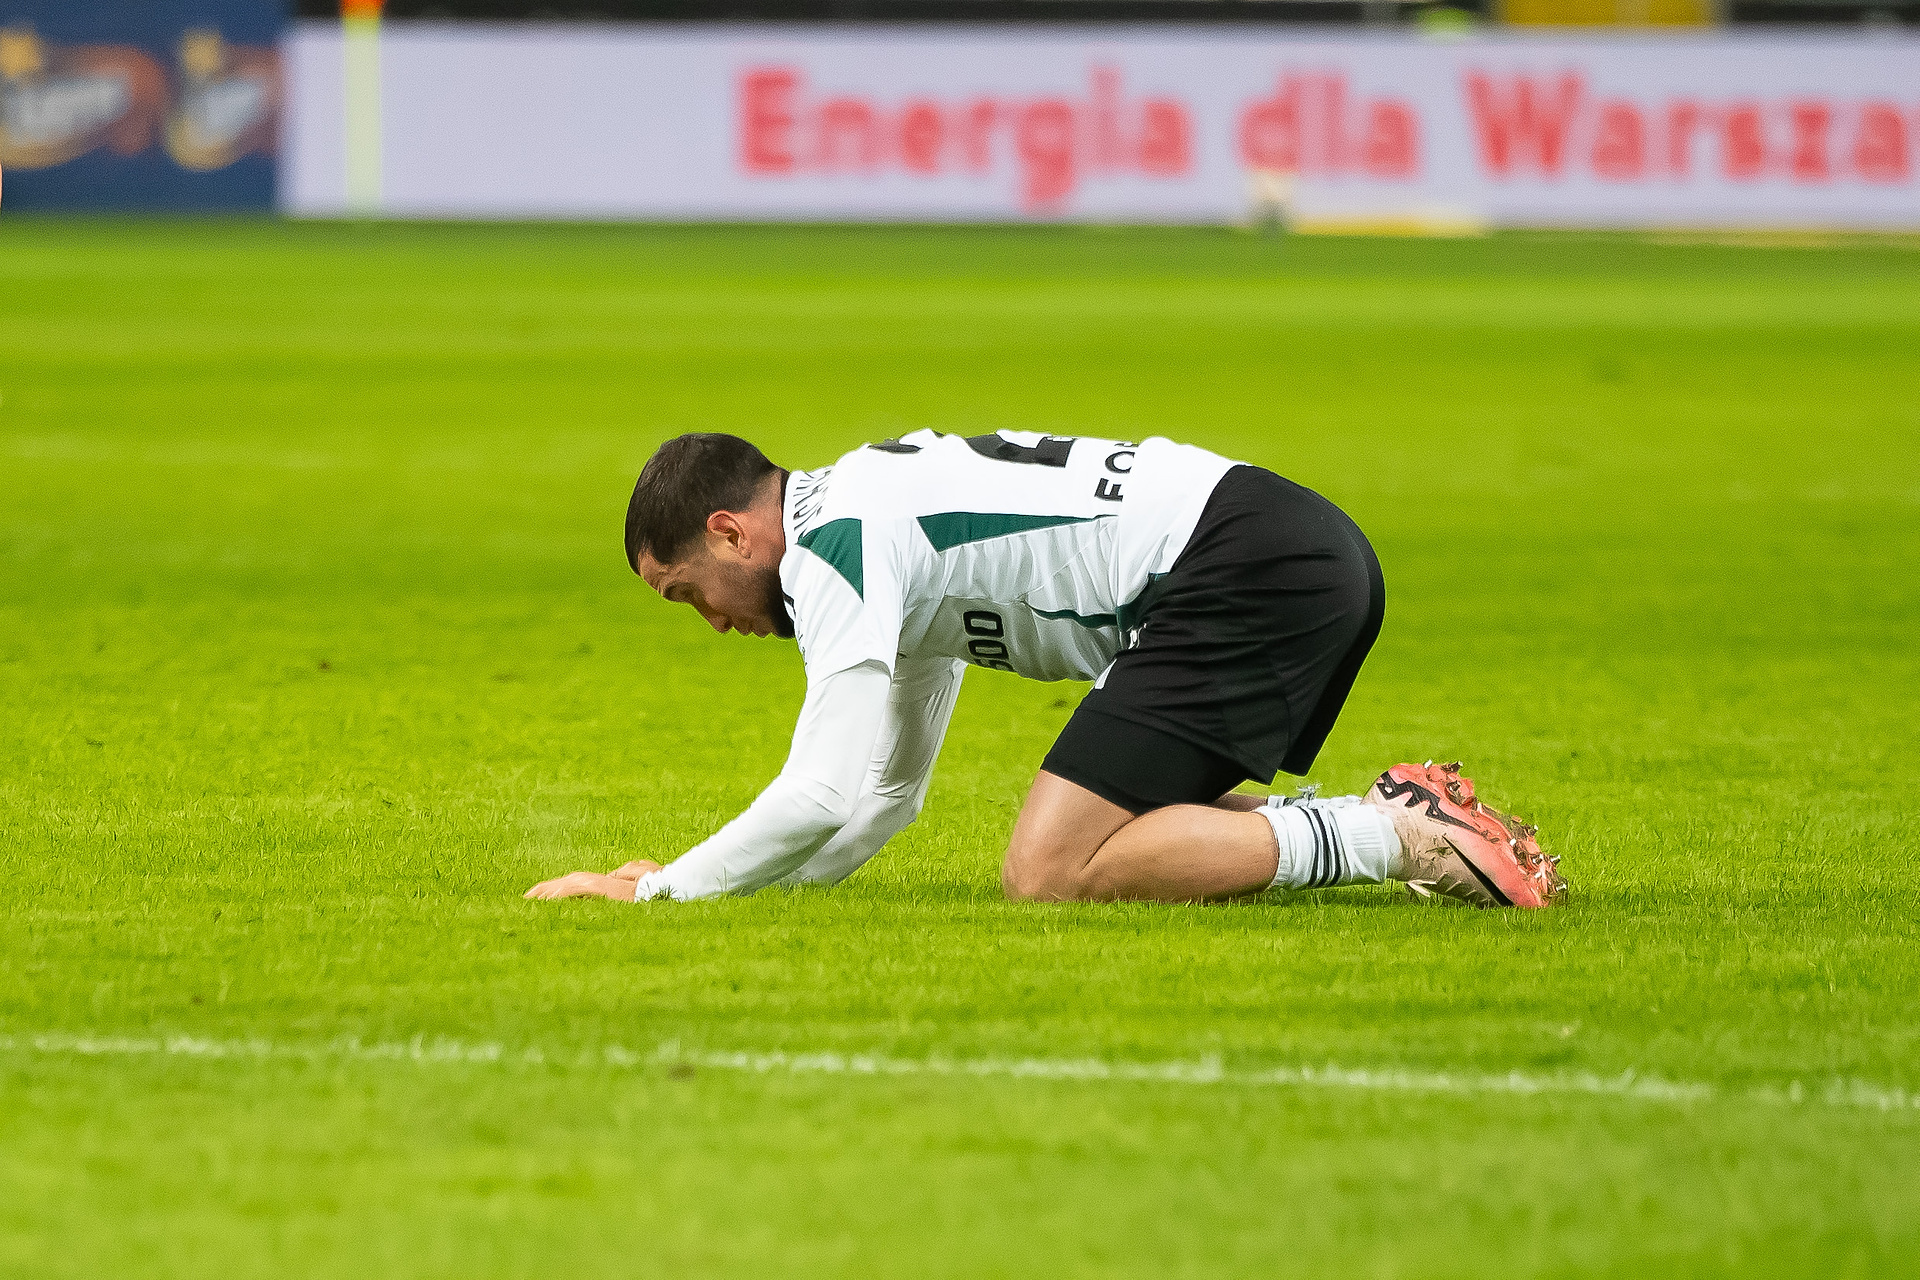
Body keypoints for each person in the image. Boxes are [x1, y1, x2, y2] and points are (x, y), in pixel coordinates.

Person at [525, 430, 1564, 908]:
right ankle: (1404, 814)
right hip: (1271, 542)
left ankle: (1397, 836)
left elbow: (820, 792)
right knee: (1097, 832)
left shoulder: (834, 547)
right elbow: (882, 798)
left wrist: (662, 891)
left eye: (688, 592)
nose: (709, 622)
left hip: (1245, 564)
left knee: (1051, 867)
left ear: (731, 532)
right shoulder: (862, 518)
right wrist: (729, 891)